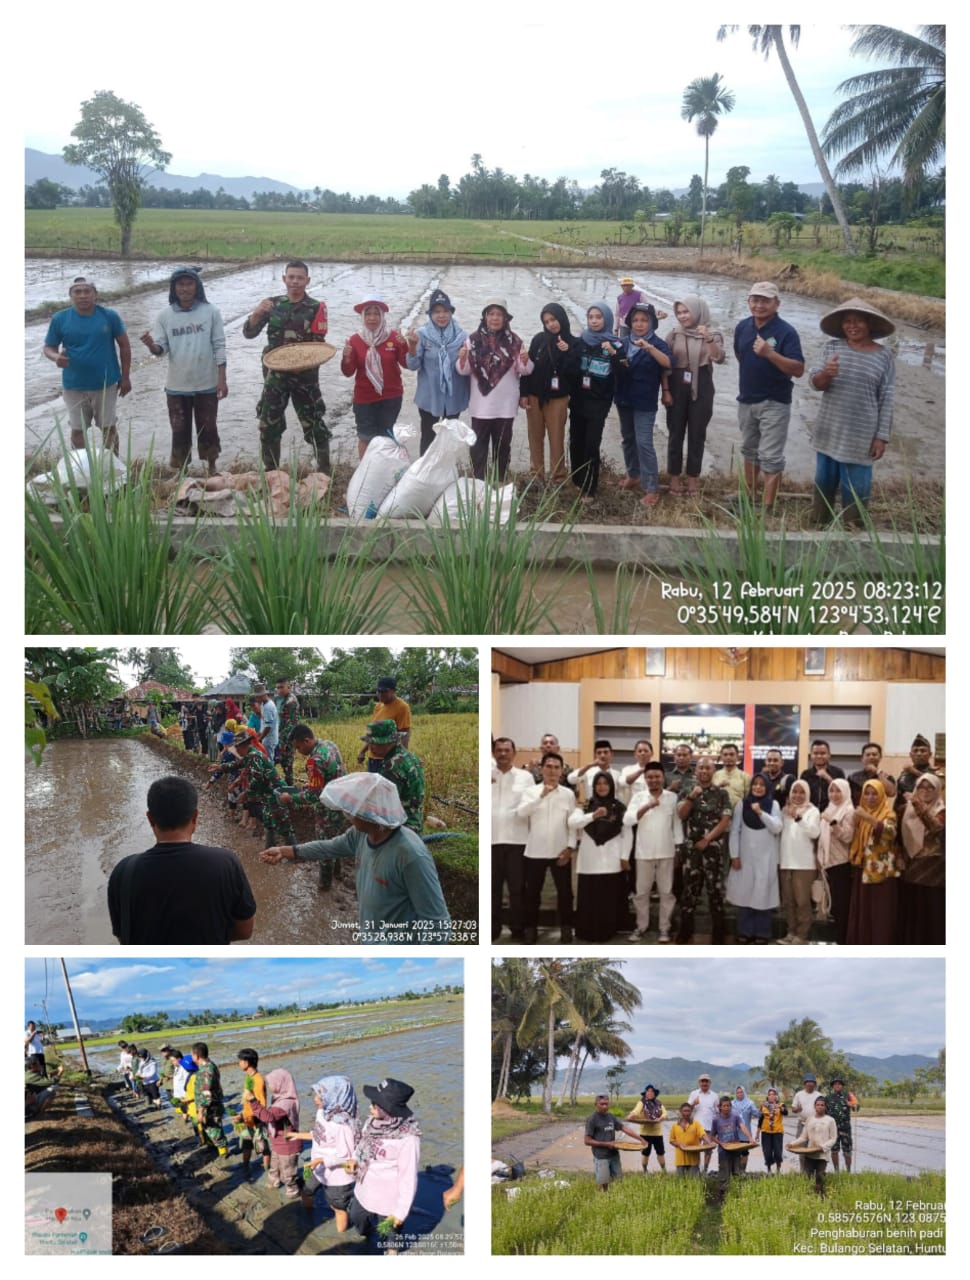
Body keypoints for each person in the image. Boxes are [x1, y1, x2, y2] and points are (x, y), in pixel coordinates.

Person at [261, 774, 451, 943]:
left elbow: (438, 927)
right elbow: (330, 847)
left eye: (353, 808)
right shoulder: (361, 835)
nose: (347, 813)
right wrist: (286, 851)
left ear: (370, 813)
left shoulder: (410, 856)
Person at [107, 776, 256, 944]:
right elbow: (245, 931)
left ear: (150, 818)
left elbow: (123, 936)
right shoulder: (225, 863)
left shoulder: (124, 871)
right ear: (195, 817)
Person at [809, 298, 895, 525]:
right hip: (830, 428)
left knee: (857, 488)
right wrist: (827, 373)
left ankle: (853, 531)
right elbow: (815, 383)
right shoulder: (832, 348)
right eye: (847, 321)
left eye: (858, 321)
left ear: (870, 325)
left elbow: (887, 397)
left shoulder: (883, 356)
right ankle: (818, 528)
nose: (852, 326)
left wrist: (882, 436)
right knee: (823, 482)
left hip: (862, 435)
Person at [242, 259, 331, 471]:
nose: (295, 282)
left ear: (307, 281)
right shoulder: (272, 305)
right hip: (275, 376)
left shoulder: (316, 307)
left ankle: (325, 470)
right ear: (284, 279)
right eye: (291, 277)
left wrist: (303, 363)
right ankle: (271, 471)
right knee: (268, 424)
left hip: (305, 376)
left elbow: (319, 343)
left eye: (300, 278)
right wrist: (256, 314)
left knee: (314, 423)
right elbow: (249, 333)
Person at [139, 267, 227, 473]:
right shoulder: (164, 316)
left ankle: (212, 467)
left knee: (209, 427)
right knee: (179, 429)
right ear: (174, 288)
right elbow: (161, 350)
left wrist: (222, 379)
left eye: (189, 284)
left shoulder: (211, 312)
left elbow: (219, 346)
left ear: (197, 287)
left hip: (207, 383)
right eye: (180, 284)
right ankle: (181, 471)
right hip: (177, 386)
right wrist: (151, 345)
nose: (185, 288)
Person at [733, 281, 805, 507]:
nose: (759, 305)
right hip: (747, 399)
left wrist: (770, 354)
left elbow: (798, 369)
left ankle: (767, 506)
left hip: (774, 401)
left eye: (765, 300)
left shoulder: (786, 332)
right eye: (755, 300)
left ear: (777, 303)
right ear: (748, 302)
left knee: (771, 455)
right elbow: (741, 356)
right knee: (749, 449)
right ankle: (747, 494)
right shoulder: (743, 327)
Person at [42, 275, 131, 452]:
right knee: (77, 430)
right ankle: (81, 470)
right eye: (78, 292)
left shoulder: (109, 316)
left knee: (108, 428)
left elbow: (125, 345)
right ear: (71, 296)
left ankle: (114, 470)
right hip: (74, 385)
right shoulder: (60, 319)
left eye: (87, 291)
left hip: (105, 384)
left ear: (95, 295)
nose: (83, 295)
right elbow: (48, 347)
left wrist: (126, 377)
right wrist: (56, 357)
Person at [457, 299, 532, 481]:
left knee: (503, 445)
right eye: (491, 314)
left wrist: (524, 359)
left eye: (499, 315)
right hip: (480, 405)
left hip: (505, 405)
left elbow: (525, 370)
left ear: (505, 318)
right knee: (478, 445)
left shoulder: (514, 341)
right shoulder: (472, 340)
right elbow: (463, 370)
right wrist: (462, 358)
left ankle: (499, 480)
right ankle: (479, 481)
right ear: (485, 317)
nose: (495, 318)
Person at [347, 1078, 421, 1250]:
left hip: (388, 1200)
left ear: (386, 1109)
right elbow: (362, 1145)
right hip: (363, 1189)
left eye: (374, 1104)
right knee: (357, 1218)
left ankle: (391, 1251)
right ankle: (367, 1239)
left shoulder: (408, 1138)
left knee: (391, 1236)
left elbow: (408, 1178)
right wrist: (354, 1159)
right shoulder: (372, 1123)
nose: (369, 1107)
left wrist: (400, 1212)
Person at [269, 723, 347, 886]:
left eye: (298, 747)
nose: (298, 752)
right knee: (338, 841)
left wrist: (290, 798)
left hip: (327, 809)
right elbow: (332, 774)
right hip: (341, 801)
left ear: (306, 741)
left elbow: (314, 796)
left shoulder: (314, 761)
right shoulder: (329, 745)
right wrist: (312, 784)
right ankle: (338, 874)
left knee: (325, 847)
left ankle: (324, 886)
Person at [662, 295, 725, 494]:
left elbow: (719, 357)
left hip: (703, 385)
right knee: (675, 433)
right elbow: (664, 365)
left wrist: (708, 339)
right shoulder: (673, 334)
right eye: (679, 312)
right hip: (677, 385)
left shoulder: (712, 333)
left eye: (686, 311)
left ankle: (692, 481)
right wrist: (665, 391)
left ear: (697, 311)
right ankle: (673, 478)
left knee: (697, 435)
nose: (682, 316)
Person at [515, 752, 578, 944]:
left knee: (565, 894)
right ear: (541, 769)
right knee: (532, 894)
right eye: (549, 767)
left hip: (561, 852)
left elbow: (572, 823)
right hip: (535, 851)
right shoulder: (531, 792)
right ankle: (530, 930)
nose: (552, 771)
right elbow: (521, 814)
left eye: (556, 767)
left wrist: (570, 848)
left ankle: (566, 930)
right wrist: (541, 796)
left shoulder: (568, 795)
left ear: (562, 771)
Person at [613, 302, 672, 506]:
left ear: (652, 323)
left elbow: (668, 363)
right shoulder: (621, 342)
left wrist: (650, 348)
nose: (639, 324)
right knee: (628, 439)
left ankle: (651, 488)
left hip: (644, 402)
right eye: (635, 320)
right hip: (623, 398)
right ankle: (634, 475)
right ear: (629, 322)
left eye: (644, 320)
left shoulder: (658, 344)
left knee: (644, 442)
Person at [341, 295, 409, 458]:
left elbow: (407, 363)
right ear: (363, 317)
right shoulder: (355, 340)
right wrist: (346, 357)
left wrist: (406, 345)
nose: (372, 318)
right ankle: (365, 473)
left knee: (387, 436)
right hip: (364, 398)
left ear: (382, 316)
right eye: (368, 314)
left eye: (376, 313)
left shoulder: (393, 337)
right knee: (365, 437)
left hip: (391, 397)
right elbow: (348, 372)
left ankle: (384, 471)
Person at [568, 772, 632, 943]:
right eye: (598, 783)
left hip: (611, 860)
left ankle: (607, 932)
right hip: (589, 861)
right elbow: (573, 823)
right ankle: (586, 932)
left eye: (605, 783)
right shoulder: (585, 806)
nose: (602, 787)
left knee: (607, 900)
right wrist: (593, 815)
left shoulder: (619, 807)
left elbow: (627, 833)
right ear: (594, 786)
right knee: (589, 899)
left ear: (611, 786)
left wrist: (625, 857)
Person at [570, 303, 624, 501]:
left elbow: (625, 369)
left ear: (607, 320)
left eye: (598, 317)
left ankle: (589, 488)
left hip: (599, 402)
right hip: (578, 399)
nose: (593, 321)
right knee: (576, 440)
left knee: (591, 444)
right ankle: (576, 480)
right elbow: (571, 366)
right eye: (591, 316)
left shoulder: (615, 344)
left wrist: (613, 353)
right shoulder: (581, 341)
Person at [405, 288, 470, 454]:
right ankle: (425, 474)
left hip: (453, 397)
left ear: (451, 312)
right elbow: (413, 365)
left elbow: (468, 367)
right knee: (428, 438)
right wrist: (412, 347)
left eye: (445, 311)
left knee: (449, 439)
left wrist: (464, 358)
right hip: (429, 397)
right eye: (437, 312)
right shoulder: (422, 335)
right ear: (430, 314)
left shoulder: (462, 336)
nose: (441, 315)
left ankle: (446, 474)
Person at [520, 304, 579, 483]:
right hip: (534, 397)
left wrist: (567, 352)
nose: (551, 324)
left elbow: (575, 373)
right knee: (535, 437)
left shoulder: (573, 342)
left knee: (556, 438)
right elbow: (528, 368)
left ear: (562, 318)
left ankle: (558, 477)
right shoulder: (539, 340)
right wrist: (523, 394)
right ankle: (536, 475)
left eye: (553, 320)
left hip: (557, 399)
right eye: (546, 322)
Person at [676, 756, 732, 944]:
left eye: (708, 768)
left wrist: (707, 839)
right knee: (689, 892)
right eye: (701, 768)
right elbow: (682, 815)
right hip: (692, 851)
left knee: (715, 892)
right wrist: (692, 796)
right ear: (696, 770)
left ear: (714, 770)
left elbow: (725, 821)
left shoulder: (722, 794)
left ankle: (718, 934)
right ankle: (685, 932)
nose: (704, 771)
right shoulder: (687, 790)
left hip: (713, 850)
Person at [295, 1075, 360, 1231]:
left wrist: (321, 1160)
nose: (316, 1098)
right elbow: (319, 1133)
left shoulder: (343, 1126)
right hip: (315, 1166)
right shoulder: (322, 1112)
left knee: (337, 1207)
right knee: (305, 1189)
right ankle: (307, 1216)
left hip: (337, 1177)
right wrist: (298, 1135)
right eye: (316, 1094)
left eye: (321, 1095)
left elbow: (345, 1156)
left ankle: (341, 1237)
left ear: (336, 1097)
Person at [624, 762, 679, 943]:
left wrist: (679, 848)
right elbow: (628, 820)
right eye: (650, 777)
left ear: (663, 777)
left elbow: (676, 825)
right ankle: (641, 926)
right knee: (641, 892)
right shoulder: (638, 797)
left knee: (666, 892)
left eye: (657, 777)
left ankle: (665, 929)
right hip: (643, 852)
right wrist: (647, 806)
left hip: (667, 851)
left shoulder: (672, 797)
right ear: (645, 778)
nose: (653, 780)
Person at [726, 773, 782, 943]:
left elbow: (777, 827)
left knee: (762, 894)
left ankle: (762, 933)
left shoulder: (773, 804)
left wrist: (761, 813)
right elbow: (735, 831)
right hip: (745, 857)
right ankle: (745, 931)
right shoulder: (742, 805)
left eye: (762, 785)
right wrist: (734, 855)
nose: (758, 787)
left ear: (767, 787)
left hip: (766, 858)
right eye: (755, 784)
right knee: (745, 894)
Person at [846, 779, 900, 944]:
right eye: (867, 794)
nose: (870, 797)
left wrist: (868, 818)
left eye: (874, 793)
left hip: (881, 873)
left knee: (879, 913)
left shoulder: (888, 813)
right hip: (862, 869)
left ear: (882, 795)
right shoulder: (859, 816)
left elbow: (890, 833)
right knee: (863, 912)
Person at [491, 737, 533, 942]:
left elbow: (531, 808)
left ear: (514, 753)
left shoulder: (526, 777)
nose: (503, 754)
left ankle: (518, 928)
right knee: (492, 889)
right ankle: (493, 929)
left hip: (518, 841)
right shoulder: (486, 775)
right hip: (491, 841)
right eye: (499, 750)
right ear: (493, 753)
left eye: (507, 750)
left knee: (517, 888)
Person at [898, 772, 945, 944]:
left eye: (930, 787)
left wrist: (918, 805)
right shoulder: (906, 810)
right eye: (921, 787)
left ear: (937, 789)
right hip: (911, 870)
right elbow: (898, 838)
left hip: (934, 873)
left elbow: (936, 828)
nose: (925, 791)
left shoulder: (942, 810)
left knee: (932, 917)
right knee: (913, 916)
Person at [359, 720, 425, 833]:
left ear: (389, 742)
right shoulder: (410, 756)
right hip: (415, 821)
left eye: (374, 743)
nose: (370, 748)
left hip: (402, 829)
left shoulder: (391, 767)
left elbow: (384, 807)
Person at [247, 1068, 302, 1196]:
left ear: (280, 1083)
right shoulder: (279, 1098)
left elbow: (268, 1117)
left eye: (272, 1082)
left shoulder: (286, 1104)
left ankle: (293, 1193)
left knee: (288, 1175)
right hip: (278, 1144)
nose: (269, 1085)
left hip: (287, 1146)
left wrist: (253, 1101)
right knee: (274, 1169)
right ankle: (272, 1185)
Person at [778, 779, 821, 945]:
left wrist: (798, 817)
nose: (797, 795)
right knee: (788, 901)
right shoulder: (784, 811)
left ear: (807, 794)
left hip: (804, 864)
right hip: (786, 862)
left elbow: (814, 833)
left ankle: (802, 935)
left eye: (801, 792)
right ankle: (790, 932)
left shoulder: (813, 811)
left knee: (802, 902)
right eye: (794, 792)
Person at [817, 778, 856, 945]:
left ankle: (843, 941)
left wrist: (833, 823)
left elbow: (848, 837)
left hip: (842, 863)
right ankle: (836, 939)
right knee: (833, 906)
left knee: (841, 907)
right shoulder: (830, 808)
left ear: (845, 791)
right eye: (831, 791)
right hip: (828, 863)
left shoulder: (848, 811)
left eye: (838, 790)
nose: (834, 794)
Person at [584, 1094, 644, 1192]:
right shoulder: (592, 1119)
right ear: (596, 1104)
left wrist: (640, 1139)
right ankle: (602, 1198)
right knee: (603, 1181)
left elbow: (624, 1128)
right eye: (602, 1104)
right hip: (601, 1156)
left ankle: (614, 1196)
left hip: (614, 1154)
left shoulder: (611, 1117)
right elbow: (587, 1141)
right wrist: (607, 1144)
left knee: (618, 1178)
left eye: (607, 1104)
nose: (605, 1106)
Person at [358, 677, 411, 766]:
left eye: (384, 692)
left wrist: (403, 758)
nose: (380, 694)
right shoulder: (378, 707)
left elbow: (404, 734)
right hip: (373, 759)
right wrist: (362, 751)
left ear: (394, 690)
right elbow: (374, 734)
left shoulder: (402, 707)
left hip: (389, 759)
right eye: (378, 691)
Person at [789, 1096, 837, 1194]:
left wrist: (823, 1147)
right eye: (818, 1105)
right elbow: (803, 1137)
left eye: (822, 1105)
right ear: (815, 1107)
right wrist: (791, 1144)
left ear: (825, 1107)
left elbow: (833, 1138)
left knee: (819, 1176)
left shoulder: (830, 1120)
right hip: (810, 1153)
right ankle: (809, 1196)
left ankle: (820, 1195)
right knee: (808, 1176)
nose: (820, 1107)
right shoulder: (809, 1119)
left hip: (822, 1154)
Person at [236, 1048, 270, 1179]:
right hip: (247, 1118)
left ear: (247, 1062)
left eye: (241, 1060)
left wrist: (256, 1119)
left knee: (263, 1146)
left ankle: (267, 1169)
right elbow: (247, 1100)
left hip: (257, 1119)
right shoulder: (248, 1078)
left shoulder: (258, 1080)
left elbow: (261, 1104)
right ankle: (245, 1166)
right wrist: (242, 1115)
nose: (239, 1063)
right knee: (246, 1143)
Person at [192, 1042, 228, 1157]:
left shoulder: (206, 1070)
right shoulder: (208, 1065)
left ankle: (223, 1151)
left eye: (192, 1055)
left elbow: (206, 1092)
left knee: (214, 1128)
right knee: (209, 1127)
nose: (192, 1057)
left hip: (210, 1106)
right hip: (209, 1104)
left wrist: (201, 1111)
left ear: (196, 1055)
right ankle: (214, 1147)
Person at [711, 1094, 752, 1190]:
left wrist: (750, 1138)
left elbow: (742, 1126)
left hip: (735, 1148)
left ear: (731, 1106)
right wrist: (721, 1143)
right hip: (723, 1150)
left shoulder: (735, 1117)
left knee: (736, 1172)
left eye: (728, 1106)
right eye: (724, 1106)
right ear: (720, 1107)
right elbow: (712, 1136)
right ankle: (723, 1193)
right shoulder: (716, 1120)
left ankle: (737, 1191)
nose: (726, 1108)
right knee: (724, 1172)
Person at [625, 1084, 667, 1173]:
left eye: (652, 1091)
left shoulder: (659, 1103)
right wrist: (630, 1116)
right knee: (645, 1153)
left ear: (655, 1094)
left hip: (657, 1133)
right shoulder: (642, 1102)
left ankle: (664, 1170)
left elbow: (665, 1114)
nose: (650, 1093)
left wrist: (659, 1119)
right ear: (645, 1093)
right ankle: (645, 1170)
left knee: (660, 1152)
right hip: (645, 1133)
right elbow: (636, 1111)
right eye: (648, 1091)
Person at [800, 740, 846, 812]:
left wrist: (828, 778)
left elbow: (845, 794)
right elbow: (802, 796)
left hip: (833, 813)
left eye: (823, 753)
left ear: (829, 755)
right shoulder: (805, 774)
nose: (819, 756)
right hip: (810, 813)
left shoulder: (838, 772)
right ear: (811, 755)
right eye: (815, 753)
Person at [895, 735, 938, 811]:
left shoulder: (936, 774)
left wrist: (914, 772)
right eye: (915, 751)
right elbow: (898, 799)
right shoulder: (904, 774)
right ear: (910, 755)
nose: (918, 754)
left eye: (923, 751)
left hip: (927, 817)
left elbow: (935, 789)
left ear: (930, 754)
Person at [668, 1101, 711, 1177]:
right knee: (680, 1182)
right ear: (680, 1111)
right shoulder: (675, 1125)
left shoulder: (696, 1124)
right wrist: (679, 1144)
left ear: (691, 1112)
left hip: (693, 1159)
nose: (687, 1113)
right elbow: (671, 1140)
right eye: (685, 1111)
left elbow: (703, 1134)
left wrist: (709, 1143)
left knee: (694, 1181)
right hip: (680, 1159)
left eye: (688, 1111)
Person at [825, 1078, 858, 1172]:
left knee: (847, 1151)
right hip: (833, 1129)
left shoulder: (848, 1095)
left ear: (842, 1086)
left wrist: (852, 1105)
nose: (837, 1085)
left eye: (839, 1084)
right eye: (835, 1084)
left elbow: (857, 1107)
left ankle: (848, 1171)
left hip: (845, 1129)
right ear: (832, 1086)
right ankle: (837, 1171)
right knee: (834, 1150)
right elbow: (824, 1111)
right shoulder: (828, 1098)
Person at [687, 1074, 720, 1172]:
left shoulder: (714, 1095)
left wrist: (717, 1130)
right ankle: (694, 1169)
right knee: (694, 1149)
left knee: (708, 1150)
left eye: (706, 1081)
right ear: (699, 1083)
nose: (704, 1083)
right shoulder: (694, 1094)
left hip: (709, 1128)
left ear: (710, 1083)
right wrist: (693, 1104)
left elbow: (717, 1113)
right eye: (702, 1081)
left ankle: (705, 1170)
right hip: (695, 1128)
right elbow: (687, 1110)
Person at [790, 1073, 821, 1172]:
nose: (810, 1084)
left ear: (815, 1084)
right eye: (808, 1082)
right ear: (805, 1084)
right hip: (802, 1124)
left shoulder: (819, 1095)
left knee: (814, 1149)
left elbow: (824, 1108)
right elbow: (793, 1108)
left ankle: (814, 1171)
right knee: (801, 1148)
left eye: (812, 1082)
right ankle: (803, 1172)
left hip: (815, 1125)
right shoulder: (799, 1094)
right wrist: (797, 1109)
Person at [274, 677, 301, 786]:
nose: (279, 690)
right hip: (283, 737)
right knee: (284, 765)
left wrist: (283, 743)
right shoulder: (282, 700)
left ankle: (289, 790)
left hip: (288, 739)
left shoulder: (290, 702)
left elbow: (290, 725)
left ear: (288, 687)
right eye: (277, 688)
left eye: (281, 687)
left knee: (287, 766)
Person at [713, 743, 750, 812]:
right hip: (718, 816)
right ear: (721, 757)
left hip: (739, 816)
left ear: (737, 756)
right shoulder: (715, 776)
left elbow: (748, 799)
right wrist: (718, 786)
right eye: (725, 755)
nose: (728, 757)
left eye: (732, 754)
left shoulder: (745, 776)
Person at [758, 1088, 787, 1174]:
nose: (771, 1096)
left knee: (778, 1152)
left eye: (773, 1094)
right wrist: (757, 1133)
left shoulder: (781, 1105)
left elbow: (786, 1112)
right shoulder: (764, 1106)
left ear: (776, 1096)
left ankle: (778, 1170)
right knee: (767, 1151)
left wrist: (780, 1108)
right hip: (766, 1132)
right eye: (770, 1094)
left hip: (777, 1132)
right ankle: (769, 1170)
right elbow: (760, 1120)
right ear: (767, 1096)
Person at [731, 1086, 760, 1170]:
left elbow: (757, 1114)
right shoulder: (732, 1104)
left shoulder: (750, 1103)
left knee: (745, 1153)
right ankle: (736, 1171)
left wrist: (761, 1109)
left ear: (744, 1093)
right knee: (735, 1152)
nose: (739, 1094)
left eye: (741, 1092)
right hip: (734, 1133)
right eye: (737, 1092)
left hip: (746, 1133)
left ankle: (743, 1171)